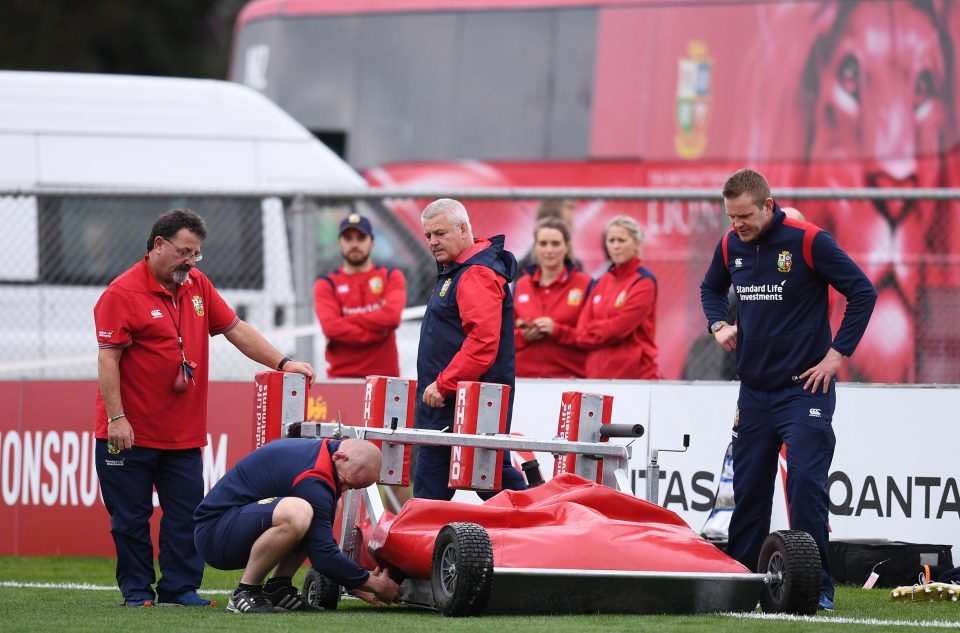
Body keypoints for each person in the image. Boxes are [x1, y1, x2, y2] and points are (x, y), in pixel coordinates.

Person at [93, 208, 316, 608]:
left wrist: (282, 363)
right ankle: (137, 592)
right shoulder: (121, 293)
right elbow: (108, 359)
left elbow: (236, 329)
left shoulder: (197, 285)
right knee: (130, 519)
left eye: (197, 254)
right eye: (184, 252)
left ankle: (179, 590)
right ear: (158, 245)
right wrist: (117, 418)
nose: (191, 262)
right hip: (129, 431)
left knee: (186, 516)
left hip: (182, 433)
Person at [700, 169, 876, 611]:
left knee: (804, 486)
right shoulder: (729, 245)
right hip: (754, 393)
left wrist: (836, 355)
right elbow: (710, 288)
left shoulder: (808, 240)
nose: (737, 224)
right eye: (730, 216)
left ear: (768, 205)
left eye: (744, 216)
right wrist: (718, 323)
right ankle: (741, 586)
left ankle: (813, 589)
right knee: (750, 490)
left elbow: (862, 291)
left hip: (804, 390)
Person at [194, 437, 403, 613]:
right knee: (299, 512)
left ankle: (278, 587)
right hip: (215, 534)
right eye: (345, 481)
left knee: (327, 505)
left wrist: (354, 580)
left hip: (232, 525)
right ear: (340, 457)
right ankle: (245, 592)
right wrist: (371, 582)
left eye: (351, 487)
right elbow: (322, 554)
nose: (344, 488)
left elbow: (319, 544)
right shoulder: (315, 476)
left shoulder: (326, 455)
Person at [415, 198, 527, 500]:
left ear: (463, 228)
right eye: (428, 235)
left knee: (438, 487)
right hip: (460, 402)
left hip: (462, 401)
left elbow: (483, 342)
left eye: (439, 233)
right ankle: (546, 524)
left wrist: (443, 384)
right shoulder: (459, 270)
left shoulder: (474, 273)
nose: (432, 242)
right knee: (489, 480)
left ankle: (549, 525)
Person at [313, 213, 407, 378]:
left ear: (372, 242)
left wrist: (347, 320)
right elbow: (331, 327)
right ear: (339, 243)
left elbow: (391, 317)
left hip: (386, 379)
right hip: (342, 378)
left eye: (361, 238)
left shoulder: (391, 276)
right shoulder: (326, 284)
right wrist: (374, 334)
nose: (354, 244)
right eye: (348, 238)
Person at [575, 215, 659, 379]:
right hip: (596, 375)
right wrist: (604, 330)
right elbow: (580, 333)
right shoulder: (601, 281)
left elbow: (620, 328)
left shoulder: (644, 282)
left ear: (636, 243)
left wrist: (593, 330)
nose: (616, 246)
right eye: (611, 241)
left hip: (634, 376)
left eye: (621, 240)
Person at [514, 217, 593, 378]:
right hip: (524, 378)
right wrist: (523, 335)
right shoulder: (522, 284)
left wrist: (557, 330)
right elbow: (505, 336)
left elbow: (592, 336)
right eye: (543, 244)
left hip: (570, 380)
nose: (549, 250)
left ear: (567, 247)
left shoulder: (585, 284)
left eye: (555, 244)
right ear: (535, 247)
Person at [516, 198, 581, 273]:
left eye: (555, 243)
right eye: (569, 207)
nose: (574, 214)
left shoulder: (576, 266)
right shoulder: (526, 268)